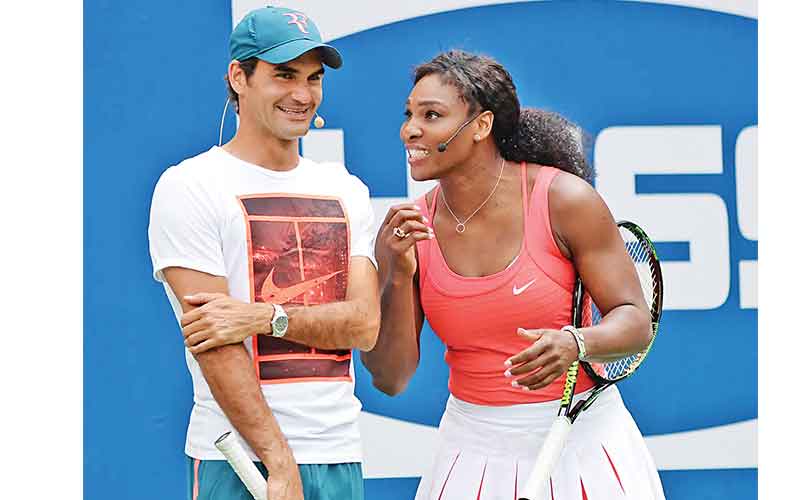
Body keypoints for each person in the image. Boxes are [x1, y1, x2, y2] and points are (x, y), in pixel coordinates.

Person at [361, 50, 666, 500]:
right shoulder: (409, 231)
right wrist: (397, 277)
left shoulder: (565, 201)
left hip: (582, 443)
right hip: (469, 448)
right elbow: (390, 379)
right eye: (409, 115)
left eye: (432, 115)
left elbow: (636, 321)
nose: (410, 129)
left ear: (481, 125)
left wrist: (576, 342)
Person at [147, 6, 379, 500]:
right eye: (284, 75)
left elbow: (363, 325)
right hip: (240, 459)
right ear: (239, 77)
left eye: (314, 78)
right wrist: (279, 461)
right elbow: (213, 340)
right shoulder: (189, 186)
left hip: (338, 453)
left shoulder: (347, 189)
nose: (303, 94)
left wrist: (262, 317)